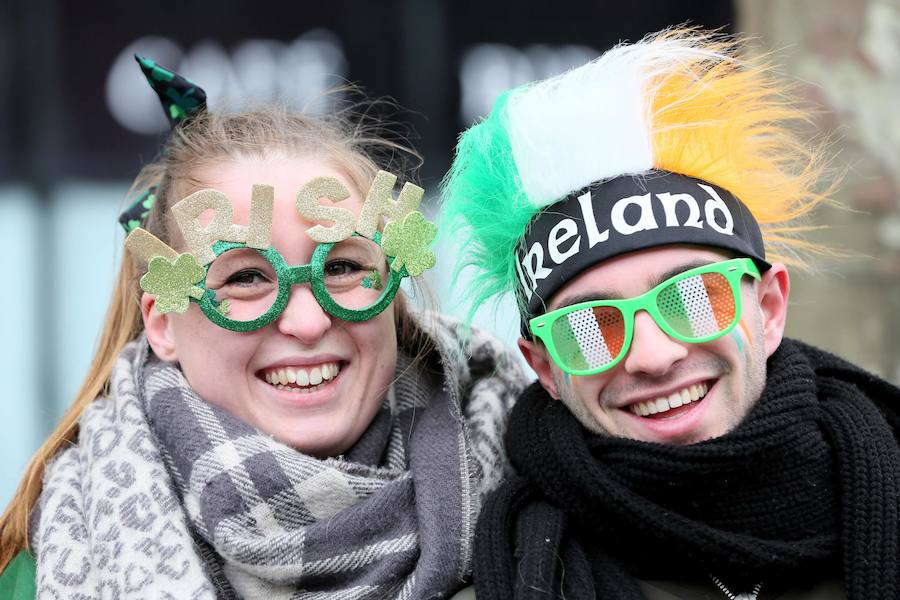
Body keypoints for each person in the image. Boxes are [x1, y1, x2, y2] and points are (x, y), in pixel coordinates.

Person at [0, 56, 525, 599]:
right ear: (162, 323)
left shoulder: (541, 507)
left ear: (394, 288)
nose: (307, 321)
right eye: (247, 277)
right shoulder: (46, 568)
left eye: (342, 267)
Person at [441, 28, 900, 599]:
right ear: (545, 369)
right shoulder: (513, 581)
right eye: (591, 326)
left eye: (695, 296)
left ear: (770, 306)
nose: (655, 356)